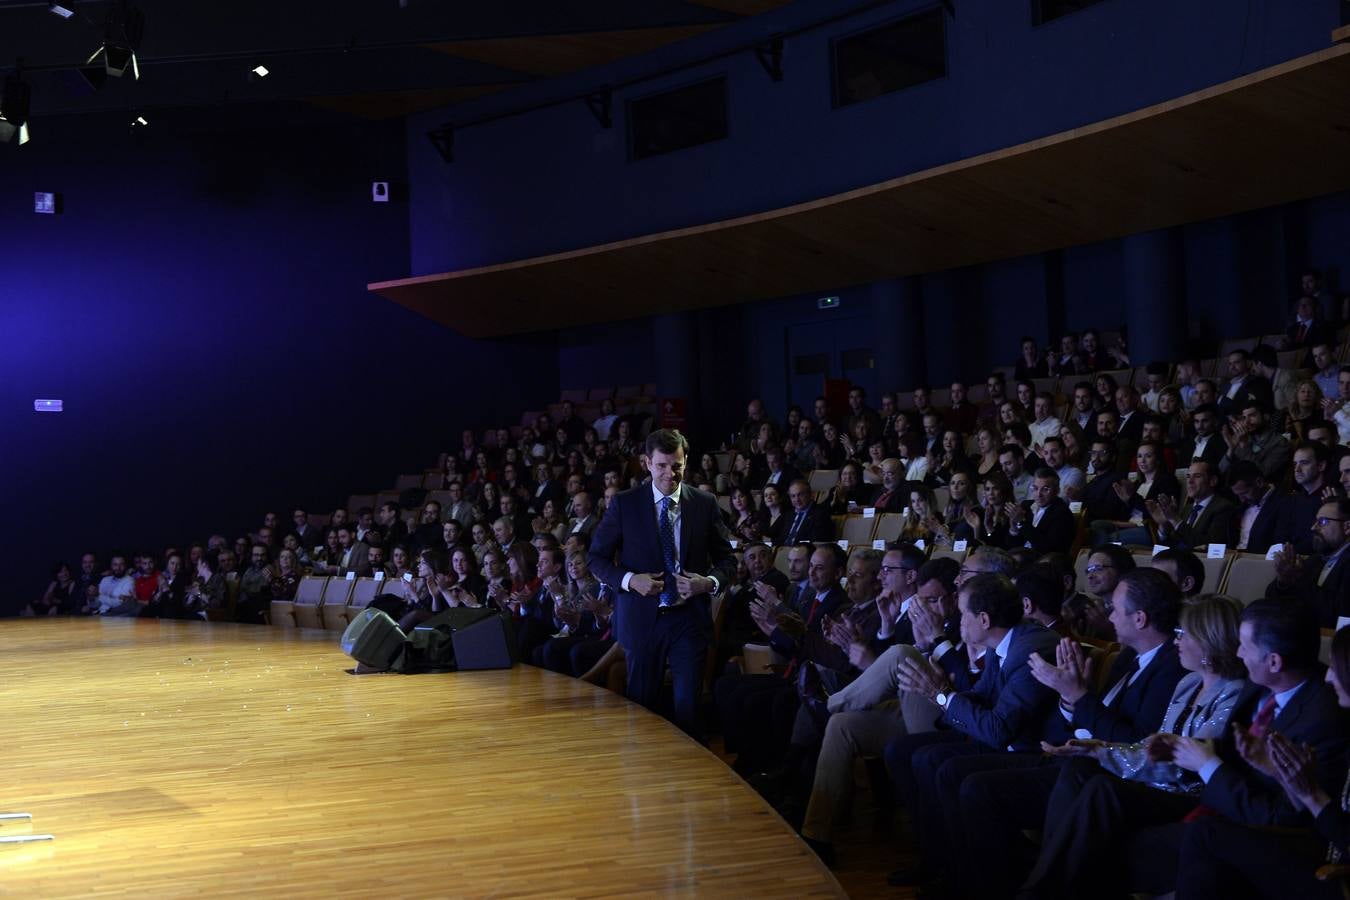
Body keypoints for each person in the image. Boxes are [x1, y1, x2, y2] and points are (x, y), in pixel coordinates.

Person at [588, 429, 736, 739]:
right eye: (662, 466)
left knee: (688, 709)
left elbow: (728, 562)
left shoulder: (704, 503)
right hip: (643, 620)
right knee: (643, 708)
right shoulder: (625, 504)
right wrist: (630, 581)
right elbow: (596, 559)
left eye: (677, 465)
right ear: (647, 463)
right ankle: (645, 778)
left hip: (688, 619)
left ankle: (691, 781)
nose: (671, 474)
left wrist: (708, 583)